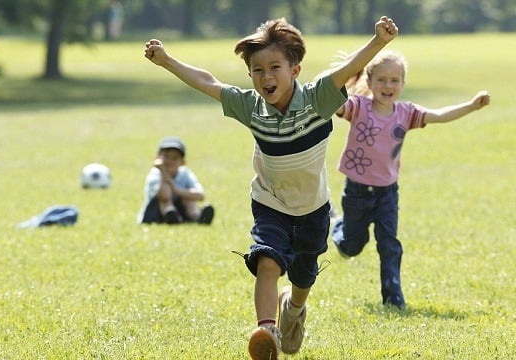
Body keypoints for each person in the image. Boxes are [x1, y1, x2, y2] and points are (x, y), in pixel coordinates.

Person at [144, 16, 398, 359]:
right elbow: (208, 82)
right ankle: (267, 331)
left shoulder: (318, 98)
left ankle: (293, 311)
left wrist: (379, 42)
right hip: (270, 202)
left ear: (294, 69)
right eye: (257, 70)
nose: (266, 76)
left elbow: (348, 68)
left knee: (304, 277)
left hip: (312, 208)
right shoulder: (251, 107)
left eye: (275, 67)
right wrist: (167, 61)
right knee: (267, 260)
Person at [330, 50, 491, 309]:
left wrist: (472, 105)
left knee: (389, 244)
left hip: (387, 193)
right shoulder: (358, 107)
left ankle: (393, 298)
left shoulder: (406, 113)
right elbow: (333, 101)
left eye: (395, 80)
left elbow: (439, 115)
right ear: (369, 82)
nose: (388, 86)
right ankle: (336, 225)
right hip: (357, 191)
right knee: (351, 247)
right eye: (381, 80)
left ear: (403, 84)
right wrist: (344, 73)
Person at [137, 136, 215, 225]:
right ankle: (171, 215)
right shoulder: (155, 174)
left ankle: (197, 217)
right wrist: (163, 172)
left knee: (188, 198)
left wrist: (176, 190)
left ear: (183, 162)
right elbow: (165, 196)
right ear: (157, 159)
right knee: (165, 202)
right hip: (155, 214)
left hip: (180, 209)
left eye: (174, 158)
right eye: (166, 156)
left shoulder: (185, 173)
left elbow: (200, 195)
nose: (169, 161)